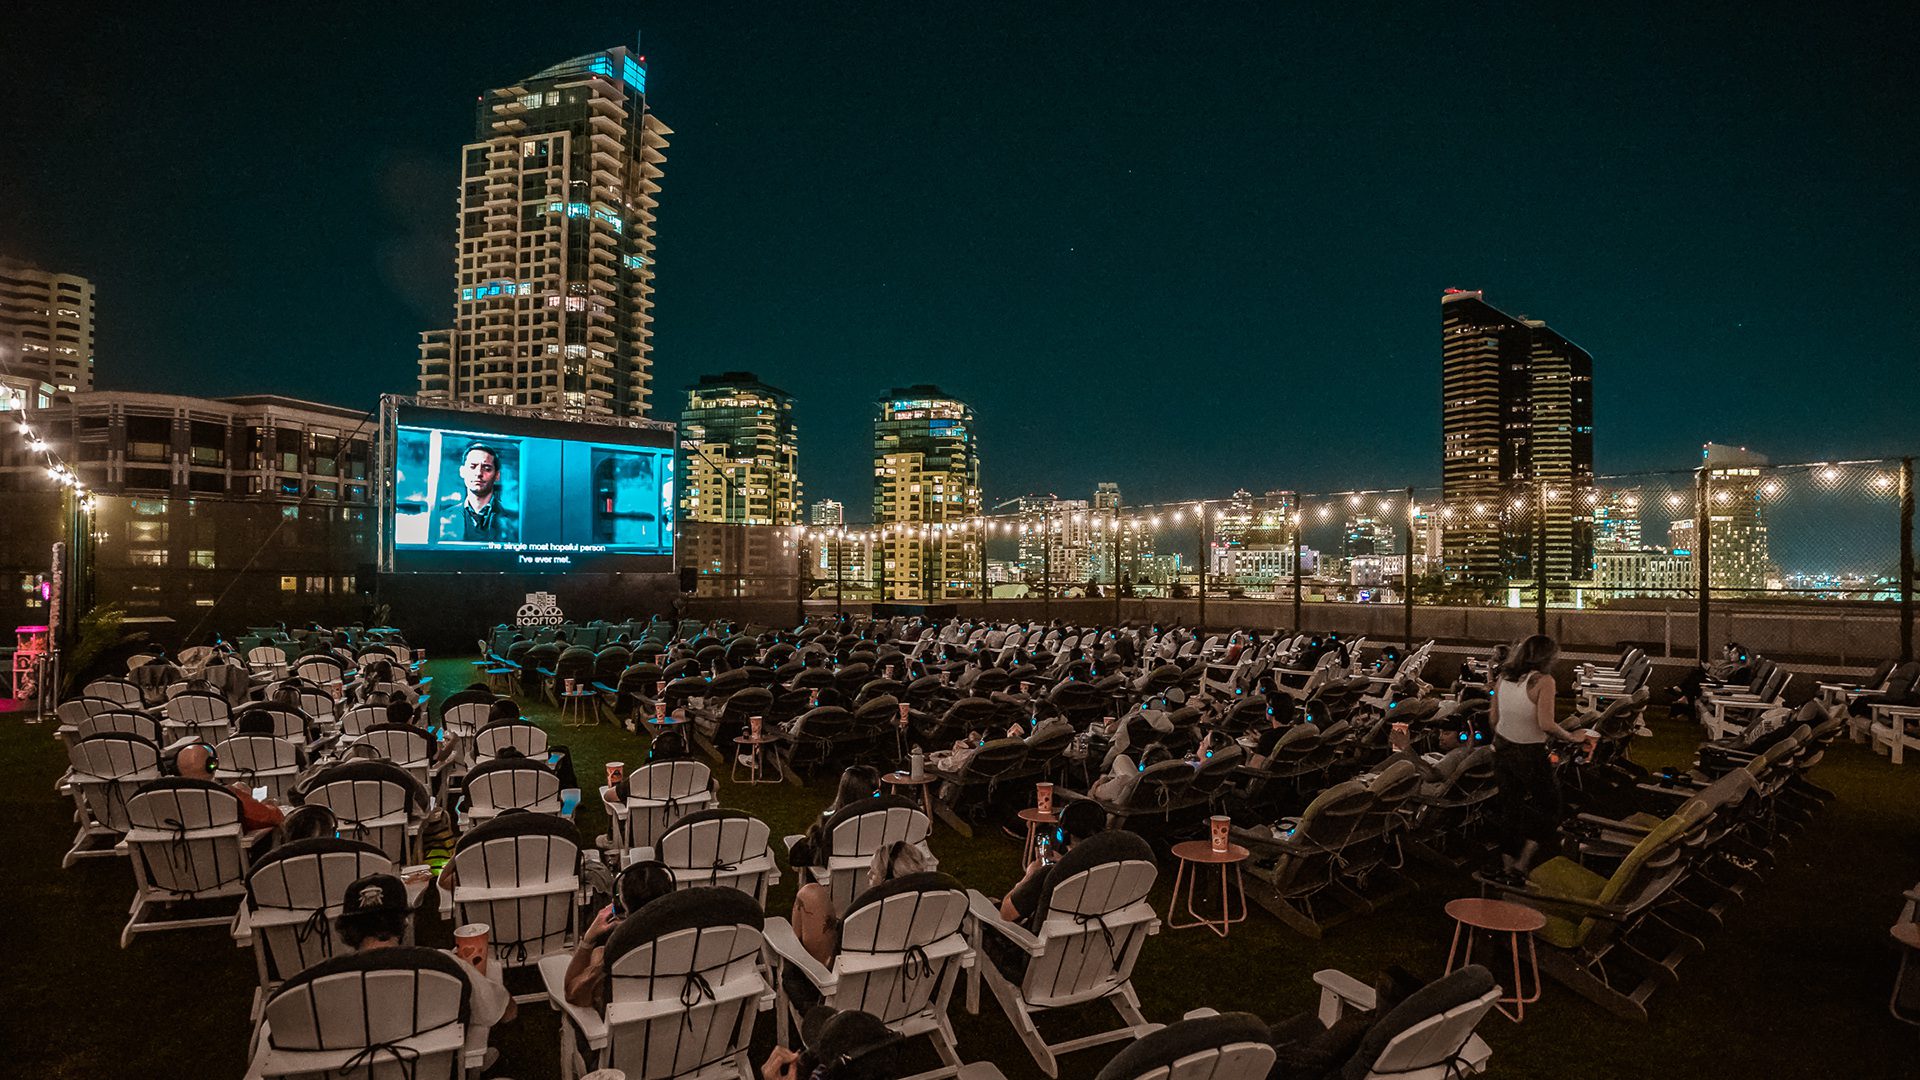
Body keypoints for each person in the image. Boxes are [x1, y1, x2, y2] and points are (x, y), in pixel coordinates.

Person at [334, 873, 515, 1057]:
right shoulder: (444, 965)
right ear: (405, 922)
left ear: (348, 931)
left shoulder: (326, 985)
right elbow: (506, 1012)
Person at [785, 841, 929, 1014]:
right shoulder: (934, 914)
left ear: (887, 880)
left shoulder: (861, 917)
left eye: (874, 873)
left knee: (811, 894)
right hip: (905, 996)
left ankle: (793, 958)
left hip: (843, 1000)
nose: (868, 874)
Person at [1490, 634, 1592, 874]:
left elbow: (1494, 717)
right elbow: (1546, 723)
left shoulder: (1504, 678)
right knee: (1550, 806)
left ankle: (1507, 865)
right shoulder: (1544, 681)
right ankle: (1523, 862)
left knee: (1511, 808)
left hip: (1503, 748)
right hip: (1529, 752)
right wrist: (1571, 737)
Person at [563, 859, 676, 1008]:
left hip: (627, 1025)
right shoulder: (689, 941)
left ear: (621, 902)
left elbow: (572, 994)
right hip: (677, 1017)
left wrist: (588, 938)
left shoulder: (611, 954)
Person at [998, 799, 1104, 923]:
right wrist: (1064, 860)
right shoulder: (1111, 865)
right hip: (1095, 933)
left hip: (1036, 939)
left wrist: (1029, 876)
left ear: (1063, 836)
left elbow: (1006, 914)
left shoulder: (1050, 874)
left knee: (990, 902)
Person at [175, 743, 285, 833]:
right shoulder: (229, 796)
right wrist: (269, 804)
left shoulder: (167, 799)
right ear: (212, 765)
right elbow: (273, 817)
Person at [788, 766, 882, 869]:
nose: (878, 797)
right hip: (875, 876)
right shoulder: (887, 824)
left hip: (835, 880)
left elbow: (796, 856)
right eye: (876, 794)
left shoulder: (831, 825)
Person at [434, 442, 520, 543]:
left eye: (487, 468)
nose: (479, 473)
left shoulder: (515, 523)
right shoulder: (441, 519)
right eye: (472, 467)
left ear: (497, 475)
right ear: (462, 471)